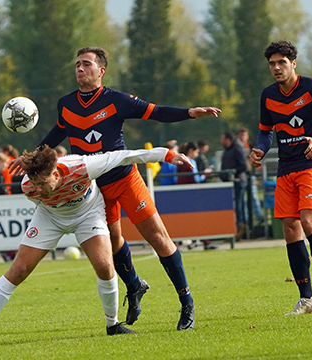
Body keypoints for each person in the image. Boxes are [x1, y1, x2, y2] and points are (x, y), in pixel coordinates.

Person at [26, 46, 221, 330]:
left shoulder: (117, 100)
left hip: (125, 179)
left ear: (101, 71)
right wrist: (31, 157)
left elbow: (157, 112)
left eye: (87, 64)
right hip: (93, 188)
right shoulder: (65, 104)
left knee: (157, 237)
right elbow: (55, 135)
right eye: (77, 64)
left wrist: (191, 112)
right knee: (113, 243)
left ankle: (186, 303)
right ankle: (134, 285)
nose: (80, 69)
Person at [0, 145, 193, 346]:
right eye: (35, 183)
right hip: (50, 217)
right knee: (19, 270)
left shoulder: (83, 166)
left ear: (55, 172)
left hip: (87, 214)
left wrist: (166, 155)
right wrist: (42, 193)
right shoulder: (27, 186)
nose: (38, 188)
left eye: (43, 183)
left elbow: (125, 156)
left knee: (104, 266)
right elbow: (40, 199)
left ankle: (112, 325)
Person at [249, 40, 312, 315]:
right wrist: (259, 148)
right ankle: (307, 299)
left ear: (294, 63)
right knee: (290, 229)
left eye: (282, 62)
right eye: (272, 64)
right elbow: (265, 130)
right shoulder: (268, 95)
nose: (277, 68)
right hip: (286, 166)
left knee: (308, 221)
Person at [220, 132, 248, 240]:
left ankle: (240, 229)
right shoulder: (227, 151)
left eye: (222, 139)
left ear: (228, 139)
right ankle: (232, 230)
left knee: (238, 206)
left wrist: (232, 173)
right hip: (229, 183)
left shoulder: (237, 149)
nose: (221, 141)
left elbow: (243, 166)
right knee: (232, 207)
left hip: (237, 182)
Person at [237, 128, 264, 225]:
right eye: (241, 135)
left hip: (250, 174)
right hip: (242, 175)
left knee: (254, 196)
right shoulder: (237, 147)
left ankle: (258, 216)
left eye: (244, 135)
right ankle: (246, 219)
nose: (243, 137)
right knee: (243, 199)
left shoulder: (250, 146)